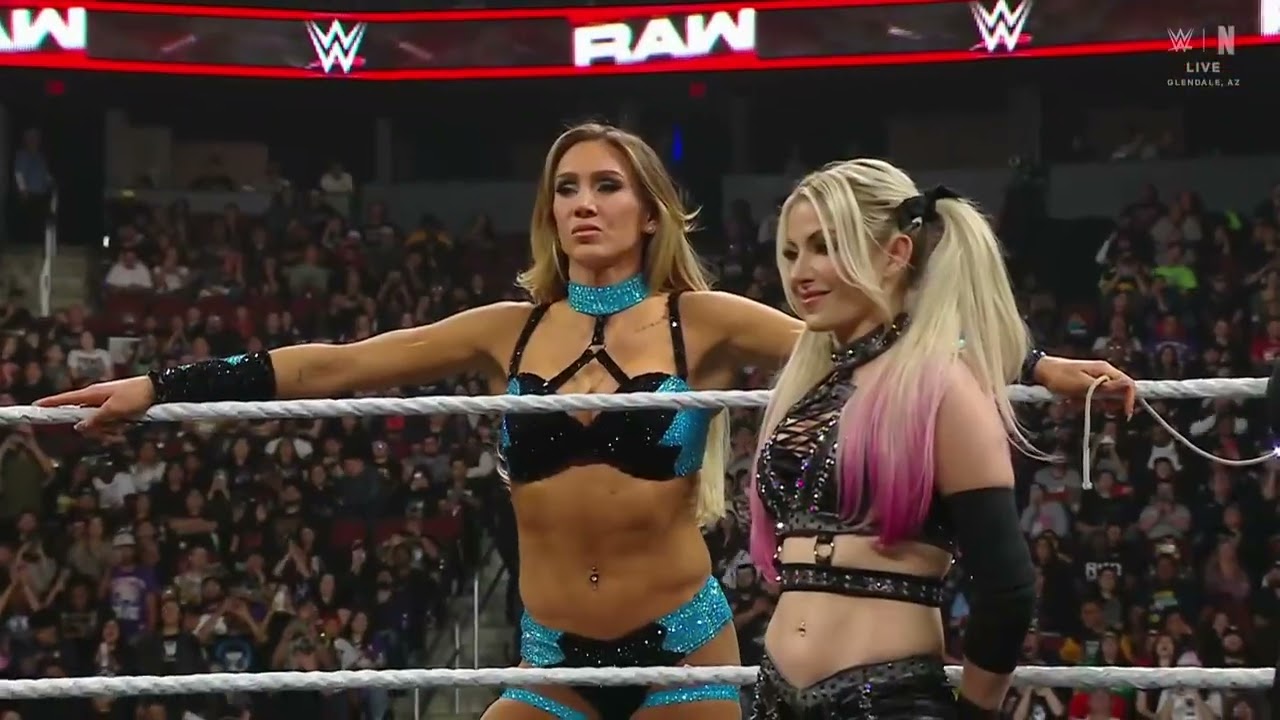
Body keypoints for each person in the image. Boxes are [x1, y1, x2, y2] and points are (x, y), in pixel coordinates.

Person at [38, 125, 1133, 720]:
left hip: (684, 650)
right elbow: (336, 365)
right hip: (550, 654)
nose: (582, 204)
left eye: (606, 186)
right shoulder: (505, 330)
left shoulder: (701, 318)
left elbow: (882, 335)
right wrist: (158, 387)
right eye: (566, 188)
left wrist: (1037, 364)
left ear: (648, 210)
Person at [747, 161, 1041, 719]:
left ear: (895, 254)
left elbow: (1006, 588)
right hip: (774, 697)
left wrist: (974, 715)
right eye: (790, 253)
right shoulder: (808, 388)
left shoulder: (942, 388)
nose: (800, 272)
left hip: (886, 701)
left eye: (824, 246)